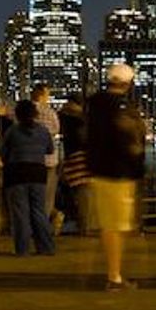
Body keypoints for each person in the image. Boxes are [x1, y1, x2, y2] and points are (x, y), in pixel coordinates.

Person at [85, 63, 147, 291]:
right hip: (119, 172)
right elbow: (129, 139)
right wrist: (137, 165)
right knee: (115, 225)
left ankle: (115, 273)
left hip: (99, 170)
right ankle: (114, 276)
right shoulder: (121, 107)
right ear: (128, 84)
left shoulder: (94, 105)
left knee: (111, 224)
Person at [0, 100, 56, 256]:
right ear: (35, 114)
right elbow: (50, 150)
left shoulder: (13, 131)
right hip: (38, 173)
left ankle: (22, 249)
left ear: (17, 114)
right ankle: (46, 247)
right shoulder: (43, 131)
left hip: (16, 173)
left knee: (20, 213)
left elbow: (2, 152)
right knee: (39, 211)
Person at [58, 94, 92, 234]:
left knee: (75, 192)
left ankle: (77, 222)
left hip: (70, 157)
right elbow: (83, 138)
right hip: (81, 157)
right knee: (84, 193)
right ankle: (85, 225)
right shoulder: (79, 118)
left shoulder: (63, 116)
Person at [31, 84, 62, 231]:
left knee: (33, 196)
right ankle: (43, 227)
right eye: (47, 94)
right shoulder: (49, 113)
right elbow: (56, 129)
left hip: (30, 160)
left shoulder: (24, 112)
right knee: (47, 196)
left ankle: (32, 225)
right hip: (48, 160)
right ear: (42, 95)